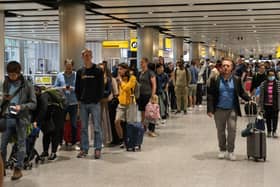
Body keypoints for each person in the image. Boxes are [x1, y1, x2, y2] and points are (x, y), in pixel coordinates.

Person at [207, 58, 251, 161]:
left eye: (228, 66)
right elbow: (210, 95)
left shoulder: (236, 79)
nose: (225, 67)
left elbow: (241, 92)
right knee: (220, 131)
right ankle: (222, 149)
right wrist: (210, 109)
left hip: (232, 110)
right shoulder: (215, 79)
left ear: (232, 68)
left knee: (232, 131)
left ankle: (231, 151)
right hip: (219, 109)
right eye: (224, 65)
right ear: (221, 67)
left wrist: (249, 99)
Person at [0, 61, 37, 180]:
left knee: (21, 144)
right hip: (8, 117)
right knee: (3, 145)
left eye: (14, 75)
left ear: (19, 72)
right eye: (9, 74)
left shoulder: (27, 84)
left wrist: (21, 107)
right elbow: (3, 98)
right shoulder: (6, 83)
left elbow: (33, 103)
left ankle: (18, 168)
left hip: (22, 118)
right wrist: (3, 99)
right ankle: (2, 167)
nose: (11, 77)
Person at [75, 49, 104, 159]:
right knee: (83, 128)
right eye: (85, 55)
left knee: (97, 127)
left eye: (89, 55)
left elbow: (101, 87)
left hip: (95, 103)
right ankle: (84, 149)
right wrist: (79, 100)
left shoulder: (98, 70)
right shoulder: (79, 72)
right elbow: (77, 88)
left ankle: (97, 149)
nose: (87, 57)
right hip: (83, 104)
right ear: (82, 57)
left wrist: (98, 99)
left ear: (92, 56)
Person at [54, 59, 78, 149]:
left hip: (73, 102)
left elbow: (80, 87)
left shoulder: (76, 75)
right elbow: (55, 87)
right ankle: (60, 142)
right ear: (64, 66)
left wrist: (73, 88)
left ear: (72, 66)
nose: (68, 68)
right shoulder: (60, 75)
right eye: (67, 66)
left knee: (74, 124)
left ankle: (74, 142)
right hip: (62, 103)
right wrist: (62, 88)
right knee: (60, 124)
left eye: (70, 66)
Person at [114, 63, 136, 148]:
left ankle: (129, 140)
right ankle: (122, 139)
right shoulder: (120, 79)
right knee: (116, 121)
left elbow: (127, 88)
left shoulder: (132, 78)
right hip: (121, 103)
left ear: (125, 69)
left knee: (129, 124)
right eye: (118, 69)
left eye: (120, 69)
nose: (119, 71)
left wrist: (120, 81)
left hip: (130, 103)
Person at [259, 69, 280, 138]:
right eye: (270, 75)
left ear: (275, 75)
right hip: (266, 104)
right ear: (267, 75)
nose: (271, 76)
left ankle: (274, 131)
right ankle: (269, 131)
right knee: (267, 119)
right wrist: (260, 107)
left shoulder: (278, 83)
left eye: (273, 75)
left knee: (275, 118)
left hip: (275, 104)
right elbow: (261, 96)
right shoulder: (263, 84)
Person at [138, 58, 156, 126]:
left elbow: (154, 85)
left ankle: (150, 127)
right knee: (142, 110)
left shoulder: (150, 73)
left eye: (142, 62)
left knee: (149, 111)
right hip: (141, 94)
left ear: (146, 63)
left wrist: (152, 95)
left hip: (148, 94)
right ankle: (143, 124)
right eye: (141, 62)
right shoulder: (140, 73)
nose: (141, 64)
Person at [98, 62, 113, 145]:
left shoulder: (107, 78)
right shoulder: (95, 78)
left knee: (104, 121)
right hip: (96, 102)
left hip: (104, 102)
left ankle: (105, 139)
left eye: (102, 69)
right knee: (96, 121)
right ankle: (97, 139)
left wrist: (100, 93)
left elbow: (109, 91)